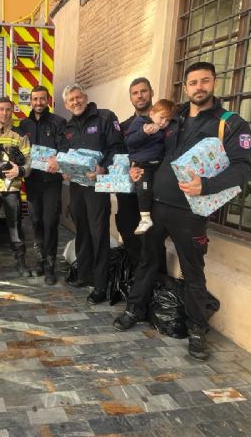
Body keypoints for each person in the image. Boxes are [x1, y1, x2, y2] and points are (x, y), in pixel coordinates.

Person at [113, 62, 251, 362]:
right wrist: (139, 170)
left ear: (214, 83)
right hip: (157, 205)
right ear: (185, 87)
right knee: (147, 259)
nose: (199, 87)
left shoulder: (230, 123)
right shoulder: (174, 119)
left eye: (205, 81)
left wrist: (207, 185)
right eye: (193, 83)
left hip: (190, 212)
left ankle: (197, 330)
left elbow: (243, 167)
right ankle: (136, 308)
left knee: (193, 271)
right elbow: (155, 154)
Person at [61, 84, 124, 304]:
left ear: (85, 98)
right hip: (77, 187)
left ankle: (100, 285)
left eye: (78, 98)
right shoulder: (67, 127)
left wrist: (103, 168)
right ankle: (83, 274)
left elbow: (117, 147)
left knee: (99, 234)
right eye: (71, 100)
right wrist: (64, 171)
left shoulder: (105, 118)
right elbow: (64, 155)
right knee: (83, 232)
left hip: (98, 186)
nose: (75, 102)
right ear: (66, 105)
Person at [18, 85, 69, 285]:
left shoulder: (59, 122)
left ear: (47, 101)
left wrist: (57, 158)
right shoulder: (24, 125)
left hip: (52, 182)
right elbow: (17, 149)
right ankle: (39, 262)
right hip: (32, 182)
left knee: (50, 222)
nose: (38, 102)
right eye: (35, 99)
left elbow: (64, 147)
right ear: (30, 102)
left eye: (42, 99)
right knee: (36, 221)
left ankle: (50, 265)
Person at [0, 97, 32, 277]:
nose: (4, 113)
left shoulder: (19, 134)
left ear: (12, 111)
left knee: (15, 224)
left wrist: (22, 170)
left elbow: (29, 158)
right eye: (1, 109)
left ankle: (21, 260)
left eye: (8, 110)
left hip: (12, 186)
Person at [115, 78, 154, 269]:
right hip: (129, 192)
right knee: (127, 230)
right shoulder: (124, 126)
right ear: (131, 97)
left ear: (151, 93)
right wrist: (129, 166)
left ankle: (155, 283)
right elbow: (118, 155)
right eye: (135, 93)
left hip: (155, 190)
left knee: (152, 239)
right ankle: (136, 276)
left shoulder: (165, 122)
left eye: (143, 91)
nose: (140, 95)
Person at [125, 99, 175, 234]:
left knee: (154, 191)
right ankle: (145, 219)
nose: (164, 122)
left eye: (168, 120)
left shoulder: (166, 129)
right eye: (161, 117)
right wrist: (144, 132)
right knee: (143, 189)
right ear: (152, 113)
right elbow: (129, 142)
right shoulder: (141, 122)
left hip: (159, 166)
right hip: (143, 165)